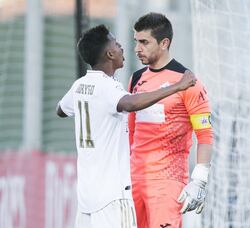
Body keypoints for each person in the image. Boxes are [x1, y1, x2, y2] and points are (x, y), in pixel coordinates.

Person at [56, 24, 197, 228]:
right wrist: (178, 86)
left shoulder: (79, 86)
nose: (123, 47)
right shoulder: (108, 87)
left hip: (87, 198)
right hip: (113, 198)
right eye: (117, 43)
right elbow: (129, 103)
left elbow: (60, 109)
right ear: (110, 53)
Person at [128, 12, 213, 228]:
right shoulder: (136, 78)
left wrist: (199, 181)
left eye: (144, 42)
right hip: (134, 180)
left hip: (167, 183)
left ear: (164, 42)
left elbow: (205, 135)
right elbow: (131, 131)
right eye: (136, 41)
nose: (137, 48)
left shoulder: (188, 82)